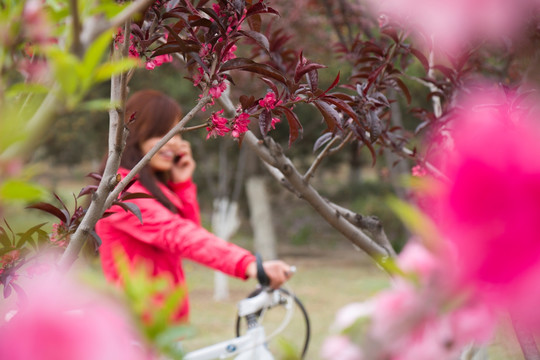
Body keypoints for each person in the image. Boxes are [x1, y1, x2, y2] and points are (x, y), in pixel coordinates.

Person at [96, 89, 293, 322]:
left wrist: (182, 186)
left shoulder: (149, 189)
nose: (175, 143)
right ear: (132, 136)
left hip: (163, 326)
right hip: (137, 331)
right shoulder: (122, 194)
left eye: (177, 132)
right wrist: (248, 264)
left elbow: (188, 236)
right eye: (161, 133)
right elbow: (178, 234)